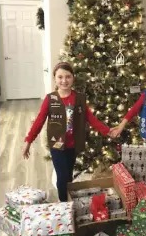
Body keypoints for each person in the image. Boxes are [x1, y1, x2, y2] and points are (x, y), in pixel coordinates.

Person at [23, 62, 113, 202]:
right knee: (62, 175)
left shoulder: (79, 98)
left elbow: (90, 118)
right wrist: (29, 141)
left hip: (72, 143)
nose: (64, 80)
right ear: (55, 79)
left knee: (69, 174)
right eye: (60, 77)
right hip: (57, 144)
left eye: (68, 77)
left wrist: (107, 131)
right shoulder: (50, 99)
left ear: (73, 78)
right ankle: (63, 203)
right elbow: (39, 121)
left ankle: (69, 199)